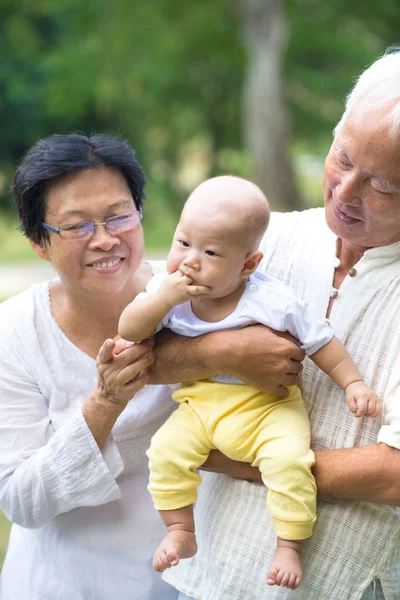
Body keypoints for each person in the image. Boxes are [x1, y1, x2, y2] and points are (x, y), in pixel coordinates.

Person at [142, 50, 400, 600]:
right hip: (205, 572)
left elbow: (394, 474)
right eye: (342, 157)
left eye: (382, 185)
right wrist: (223, 353)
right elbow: (132, 353)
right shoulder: (256, 236)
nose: (344, 192)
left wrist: (239, 458)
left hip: (343, 584)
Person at [119, 175, 380, 590]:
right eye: (183, 242)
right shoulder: (167, 292)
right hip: (200, 406)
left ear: (247, 264)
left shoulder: (271, 299)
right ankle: (179, 528)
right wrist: (162, 300)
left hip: (268, 409)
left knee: (291, 464)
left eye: (210, 252)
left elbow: (321, 341)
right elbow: (130, 331)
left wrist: (353, 384)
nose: (189, 260)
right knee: (165, 451)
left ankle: (289, 544)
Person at [0, 133, 180, 599]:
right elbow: (21, 499)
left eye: (119, 215)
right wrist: (104, 403)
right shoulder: (16, 331)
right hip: (67, 582)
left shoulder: (190, 295)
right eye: (77, 226)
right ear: (39, 242)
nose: (105, 240)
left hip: (189, 575)